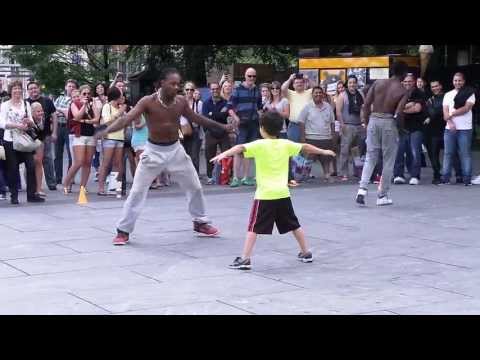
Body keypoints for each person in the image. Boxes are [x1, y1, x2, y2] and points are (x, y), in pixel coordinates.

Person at [94, 67, 234, 245]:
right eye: (173, 84)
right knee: (137, 191)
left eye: (179, 84)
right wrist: (105, 130)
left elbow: (198, 119)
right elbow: (126, 119)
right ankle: (123, 230)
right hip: (153, 151)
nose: (177, 87)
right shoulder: (148, 102)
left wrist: (221, 127)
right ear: (162, 84)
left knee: (195, 187)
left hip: (175, 150)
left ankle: (200, 222)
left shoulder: (181, 101)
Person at [210, 111, 335, 270]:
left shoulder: (259, 145)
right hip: (283, 193)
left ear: (262, 128)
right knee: (294, 225)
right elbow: (305, 147)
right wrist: (324, 151)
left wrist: (223, 155)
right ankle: (306, 252)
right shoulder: (285, 144)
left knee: (253, 227)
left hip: (265, 196)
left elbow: (240, 147)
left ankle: (245, 258)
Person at [355, 61, 410, 206]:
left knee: (370, 157)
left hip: (373, 119)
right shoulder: (403, 90)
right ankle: (382, 195)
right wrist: (401, 129)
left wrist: (366, 123)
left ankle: (362, 189)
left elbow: (366, 105)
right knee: (388, 160)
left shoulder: (378, 83)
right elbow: (398, 113)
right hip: (388, 122)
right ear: (404, 74)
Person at [0, 80, 44, 204]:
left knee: (31, 165)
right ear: (10, 91)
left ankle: (31, 195)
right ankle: (14, 196)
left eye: (19, 88)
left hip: (25, 140)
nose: (17, 91)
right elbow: (2, 123)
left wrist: (29, 122)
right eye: (15, 89)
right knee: (12, 168)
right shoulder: (5, 105)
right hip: (11, 140)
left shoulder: (26, 104)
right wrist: (18, 125)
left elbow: (31, 120)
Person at [228, 68, 263, 187]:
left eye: (254, 76)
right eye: (249, 76)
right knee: (238, 151)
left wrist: (262, 118)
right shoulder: (237, 90)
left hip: (253, 123)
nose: (252, 78)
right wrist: (236, 118)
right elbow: (230, 107)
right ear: (245, 76)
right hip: (242, 124)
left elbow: (260, 108)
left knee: (249, 151)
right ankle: (236, 178)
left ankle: (247, 177)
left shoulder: (256, 90)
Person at [62, 86, 100, 193]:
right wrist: (84, 105)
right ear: (80, 95)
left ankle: (83, 186)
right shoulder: (75, 104)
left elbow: (97, 119)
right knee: (78, 162)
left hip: (91, 135)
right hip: (79, 135)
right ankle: (66, 182)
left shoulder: (93, 104)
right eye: (84, 94)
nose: (87, 96)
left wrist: (85, 121)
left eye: (88, 94)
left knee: (88, 163)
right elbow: (77, 116)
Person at [441, 72, 475, 186]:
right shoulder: (448, 95)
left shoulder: (470, 93)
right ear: (453, 81)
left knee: (465, 154)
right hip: (449, 128)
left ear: (464, 81)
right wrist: (450, 122)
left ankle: (467, 180)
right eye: (455, 80)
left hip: (465, 128)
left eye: (459, 80)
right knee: (448, 153)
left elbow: (466, 108)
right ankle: (445, 178)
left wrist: (451, 114)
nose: (457, 82)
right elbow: (445, 111)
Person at [393, 73, 427, 185]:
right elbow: (393, 109)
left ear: (414, 82)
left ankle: (415, 176)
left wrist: (401, 109)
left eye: (410, 81)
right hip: (400, 127)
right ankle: (398, 175)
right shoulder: (397, 93)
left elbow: (417, 109)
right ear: (402, 82)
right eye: (405, 81)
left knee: (415, 152)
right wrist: (408, 105)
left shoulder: (419, 93)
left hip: (416, 127)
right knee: (399, 152)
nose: (407, 83)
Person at [297, 86, 336, 182]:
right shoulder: (307, 107)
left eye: (320, 92)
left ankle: (327, 175)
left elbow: (332, 122)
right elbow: (301, 122)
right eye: (316, 93)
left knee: (326, 158)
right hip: (311, 137)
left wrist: (333, 136)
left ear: (323, 94)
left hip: (326, 137)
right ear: (312, 94)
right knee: (309, 158)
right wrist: (303, 138)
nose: (318, 94)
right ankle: (305, 175)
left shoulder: (328, 106)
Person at [281, 73, 313, 185]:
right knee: (292, 150)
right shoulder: (291, 94)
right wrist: (290, 78)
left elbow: (318, 88)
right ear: (293, 85)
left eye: (301, 82)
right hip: (294, 125)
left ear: (305, 84)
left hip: (308, 126)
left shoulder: (309, 92)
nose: (299, 84)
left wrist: (308, 79)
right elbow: (283, 88)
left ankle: (304, 174)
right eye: (297, 83)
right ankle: (292, 175)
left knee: (306, 150)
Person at [26, 81, 58, 191]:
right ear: (28, 91)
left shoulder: (47, 101)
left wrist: (54, 132)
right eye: (31, 88)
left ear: (39, 89)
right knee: (31, 161)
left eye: (35, 88)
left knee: (48, 159)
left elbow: (54, 117)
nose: (33, 90)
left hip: (46, 135)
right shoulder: (25, 103)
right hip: (31, 137)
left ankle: (51, 183)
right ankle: (32, 184)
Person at [97, 86, 126, 196]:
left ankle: (114, 187)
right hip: (109, 137)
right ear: (116, 96)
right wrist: (119, 113)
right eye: (121, 95)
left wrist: (123, 112)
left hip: (120, 137)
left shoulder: (121, 107)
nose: (123, 97)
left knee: (118, 164)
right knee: (106, 163)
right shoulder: (107, 107)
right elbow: (107, 121)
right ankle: (101, 188)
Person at [336, 75, 365, 181]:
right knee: (345, 149)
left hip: (359, 125)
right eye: (350, 83)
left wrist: (364, 122)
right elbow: (338, 111)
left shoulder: (360, 94)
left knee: (357, 150)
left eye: (354, 82)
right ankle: (343, 172)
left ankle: (358, 171)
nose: (352, 84)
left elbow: (363, 108)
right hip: (347, 125)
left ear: (356, 84)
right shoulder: (342, 95)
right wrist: (342, 125)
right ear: (347, 84)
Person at [202, 82, 231, 185]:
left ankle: (226, 177)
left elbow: (224, 116)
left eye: (216, 89)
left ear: (219, 89)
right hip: (211, 133)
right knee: (209, 156)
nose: (215, 91)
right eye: (212, 89)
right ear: (210, 90)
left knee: (226, 155)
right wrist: (218, 114)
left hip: (223, 133)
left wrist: (212, 114)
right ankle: (210, 177)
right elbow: (205, 118)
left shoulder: (225, 102)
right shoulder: (206, 103)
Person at [54, 79, 77, 185]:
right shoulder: (60, 98)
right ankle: (57, 178)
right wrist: (64, 111)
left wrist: (62, 111)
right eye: (69, 86)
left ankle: (70, 177)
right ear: (65, 87)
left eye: (73, 86)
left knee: (71, 153)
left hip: (69, 128)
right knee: (57, 154)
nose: (71, 88)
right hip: (58, 127)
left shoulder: (76, 100)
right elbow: (54, 111)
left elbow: (70, 113)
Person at [425, 80, 448, 184]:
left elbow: (435, 112)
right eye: (432, 87)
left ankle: (459, 174)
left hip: (446, 129)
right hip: (432, 130)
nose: (435, 88)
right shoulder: (430, 99)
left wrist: (432, 114)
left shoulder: (447, 97)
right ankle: (437, 175)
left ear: (441, 86)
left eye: (436, 86)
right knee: (433, 154)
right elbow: (431, 112)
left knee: (452, 153)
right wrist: (434, 112)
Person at [180, 81, 203, 174]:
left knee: (194, 156)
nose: (189, 91)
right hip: (181, 130)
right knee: (183, 155)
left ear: (194, 91)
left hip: (195, 130)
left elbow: (201, 118)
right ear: (184, 90)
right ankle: (185, 175)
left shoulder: (198, 103)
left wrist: (196, 121)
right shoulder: (179, 102)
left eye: (191, 89)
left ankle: (195, 175)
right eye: (187, 89)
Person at [30, 102, 49, 197]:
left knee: (38, 162)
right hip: (28, 143)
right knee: (30, 164)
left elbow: (44, 132)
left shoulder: (44, 118)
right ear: (32, 112)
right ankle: (32, 187)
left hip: (39, 142)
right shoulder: (28, 118)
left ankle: (39, 188)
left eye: (41, 111)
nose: (41, 113)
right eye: (38, 111)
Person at [92, 82, 109, 180]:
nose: (100, 89)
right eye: (98, 88)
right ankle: (97, 171)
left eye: (101, 87)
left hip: (105, 125)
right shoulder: (94, 100)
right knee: (96, 151)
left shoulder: (108, 98)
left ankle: (105, 172)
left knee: (105, 150)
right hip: (96, 126)